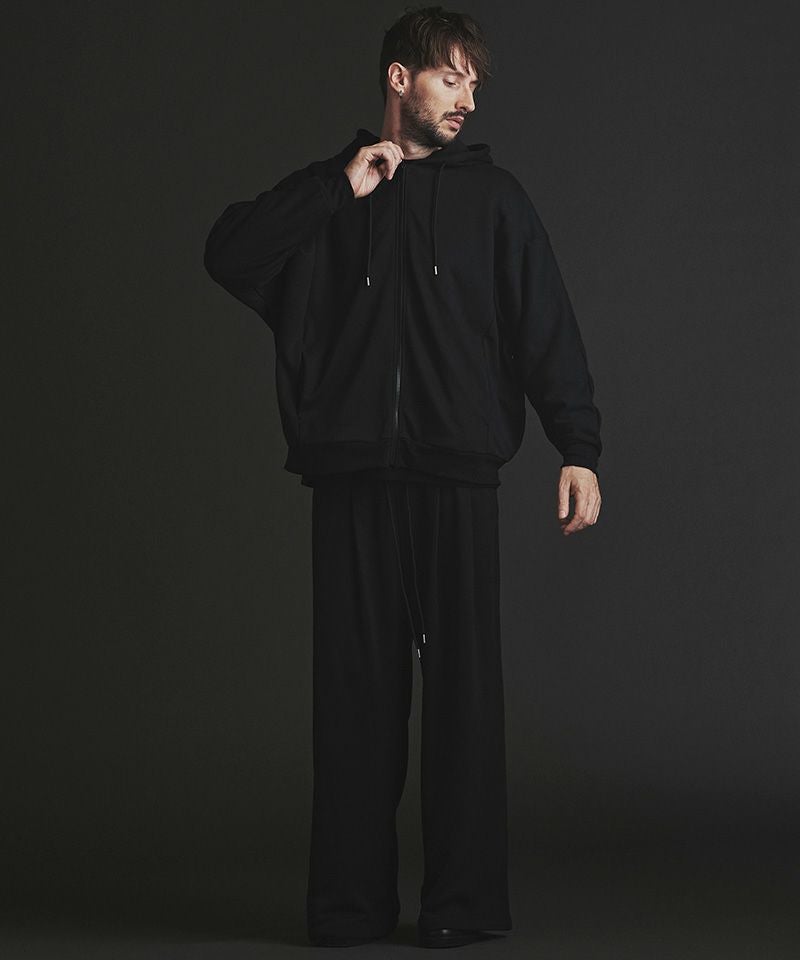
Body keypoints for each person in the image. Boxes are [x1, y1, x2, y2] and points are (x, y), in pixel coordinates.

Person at [204, 4, 602, 949]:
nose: (467, 99)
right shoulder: (333, 194)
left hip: (457, 476)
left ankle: (462, 908)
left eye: (474, 83)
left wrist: (578, 446)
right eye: (450, 78)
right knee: (355, 700)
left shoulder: (496, 200)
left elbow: (545, 324)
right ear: (399, 78)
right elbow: (230, 253)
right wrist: (336, 188)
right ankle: (349, 909)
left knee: (465, 701)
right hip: (352, 477)